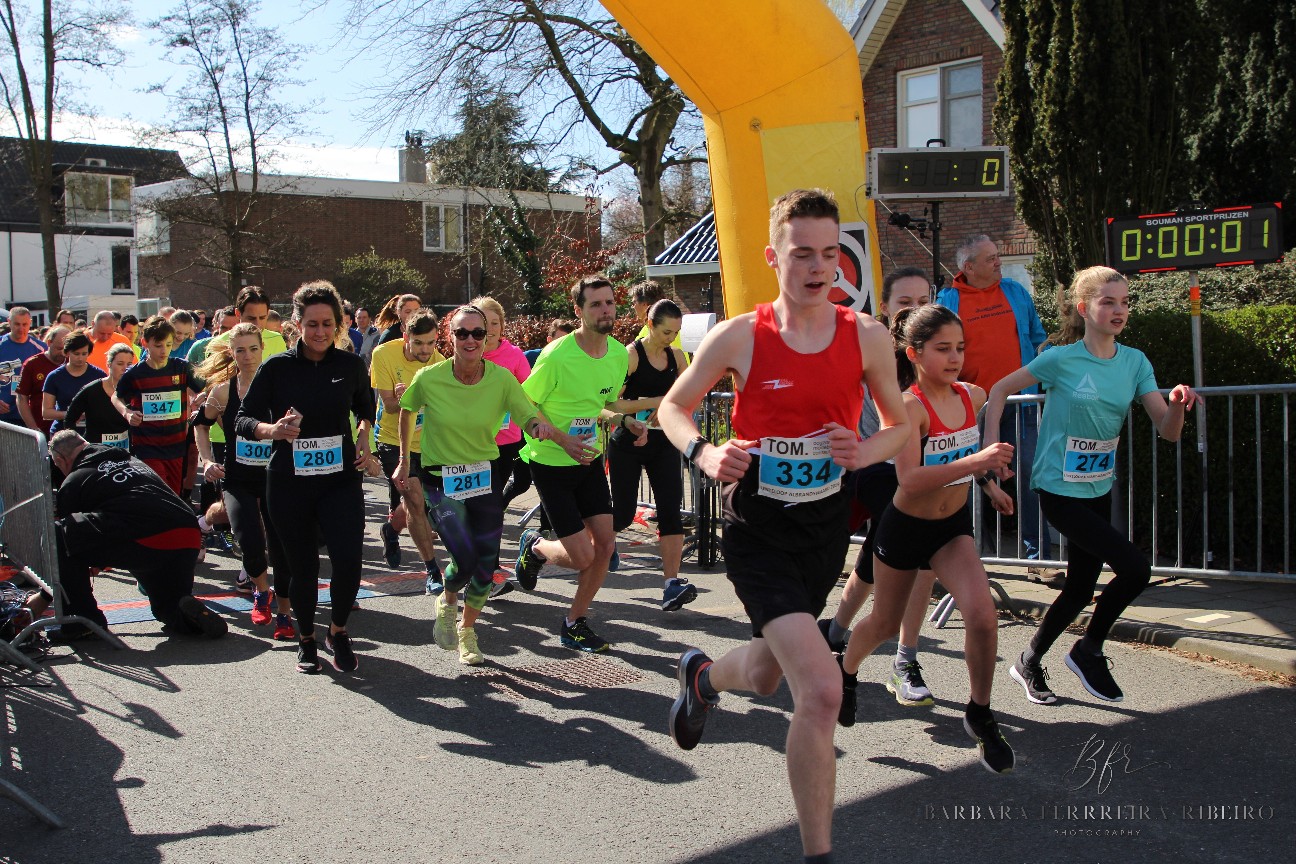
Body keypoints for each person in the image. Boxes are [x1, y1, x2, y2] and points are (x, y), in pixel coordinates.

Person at [657, 189, 909, 864]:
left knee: (768, 674)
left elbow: (900, 426)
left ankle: (701, 680)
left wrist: (866, 450)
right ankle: (818, 853)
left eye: (829, 254)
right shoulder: (741, 335)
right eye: (802, 254)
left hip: (824, 527)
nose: (818, 267)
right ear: (774, 258)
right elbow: (673, 409)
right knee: (821, 690)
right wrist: (705, 452)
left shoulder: (867, 335)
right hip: (758, 526)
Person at [987, 265, 1199, 704]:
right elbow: (1000, 389)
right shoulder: (1060, 359)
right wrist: (993, 451)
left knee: (1081, 588)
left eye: (1124, 302)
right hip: (1058, 489)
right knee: (1135, 568)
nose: (1119, 310)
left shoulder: (1135, 362)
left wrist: (1177, 403)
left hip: (1097, 487)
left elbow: (1168, 430)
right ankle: (1088, 650)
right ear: (1084, 309)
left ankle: (1028, 661)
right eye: (1108, 302)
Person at [837, 305, 1018, 775]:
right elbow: (911, 479)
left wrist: (989, 485)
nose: (955, 358)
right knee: (883, 623)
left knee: (983, 615)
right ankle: (847, 674)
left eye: (960, 348)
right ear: (915, 354)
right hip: (905, 526)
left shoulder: (972, 395)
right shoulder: (909, 407)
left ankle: (980, 712)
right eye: (943, 349)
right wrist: (978, 463)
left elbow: (963, 453)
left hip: (951, 528)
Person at [395, 305, 570, 664]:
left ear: (487, 337)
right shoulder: (429, 377)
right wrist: (403, 459)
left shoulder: (501, 379)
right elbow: (407, 409)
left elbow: (526, 414)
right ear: (450, 337)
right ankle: (448, 599)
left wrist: (540, 428)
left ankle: (467, 630)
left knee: (486, 565)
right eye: (462, 333)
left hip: (483, 475)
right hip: (441, 479)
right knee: (465, 559)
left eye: (478, 333)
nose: (471, 339)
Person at [235, 281, 376, 675]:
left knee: (348, 561)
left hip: (339, 480)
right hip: (289, 483)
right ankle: (307, 639)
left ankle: (338, 631)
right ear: (297, 324)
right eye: (312, 324)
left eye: (327, 324)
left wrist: (364, 434)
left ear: (338, 325)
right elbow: (243, 419)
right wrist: (272, 430)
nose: (320, 332)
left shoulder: (350, 365)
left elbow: (366, 408)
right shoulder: (277, 367)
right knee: (302, 567)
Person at [819, 266, 945, 706]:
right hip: (875, 466)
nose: (915, 309)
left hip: (922, 469)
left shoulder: (938, 351)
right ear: (887, 307)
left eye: (923, 300)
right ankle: (904, 661)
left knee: (879, 554)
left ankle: (836, 631)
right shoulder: (872, 348)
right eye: (905, 302)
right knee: (919, 548)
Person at [512, 275, 643, 654]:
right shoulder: (557, 356)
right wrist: (561, 438)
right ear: (578, 310)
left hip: (588, 459)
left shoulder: (618, 355)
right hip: (551, 464)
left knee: (605, 545)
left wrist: (624, 420)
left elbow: (601, 404)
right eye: (595, 304)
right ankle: (536, 546)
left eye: (609, 302)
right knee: (583, 555)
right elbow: (523, 404)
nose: (605, 310)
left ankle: (574, 623)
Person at [936, 235, 1051, 567]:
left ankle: (1040, 559)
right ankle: (970, 558)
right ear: (969, 267)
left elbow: (1038, 339)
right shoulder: (948, 302)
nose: (999, 262)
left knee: (1030, 476)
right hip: (970, 410)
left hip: (1021, 405)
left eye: (998, 256)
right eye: (990, 258)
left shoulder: (1015, 292)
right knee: (969, 478)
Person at [47, 430, 227, 641]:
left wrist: (45, 594)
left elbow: (71, 546)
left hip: (147, 538)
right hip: (187, 533)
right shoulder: (131, 460)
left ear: (60, 460)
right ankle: (187, 615)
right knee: (168, 606)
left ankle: (82, 622)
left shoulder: (74, 481)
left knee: (60, 533)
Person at [195, 323, 295, 639]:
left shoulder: (281, 388)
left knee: (280, 548)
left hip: (276, 478)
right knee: (249, 539)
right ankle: (262, 592)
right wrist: (207, 461)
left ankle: (284, 613)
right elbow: (200, 425)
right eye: (240, 350)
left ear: (263, 349)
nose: (248, 356)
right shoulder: (223, 391)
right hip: (237, 478)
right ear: (232, 353)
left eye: (253, 349)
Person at [607, 298, 696, 611]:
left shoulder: (677, 357)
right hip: (628, 443)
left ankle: (671, 584)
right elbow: (611, 403)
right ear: (650, 325)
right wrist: (657, 402)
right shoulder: (630, 355)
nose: (670, 338)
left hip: (664, 443)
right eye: (665, 332)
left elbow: (690, 394)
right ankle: (600, 542)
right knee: (623, 513)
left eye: (675, 333)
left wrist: (673, 406)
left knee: (670, 512)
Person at [370, 309, 445, 584]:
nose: (425, 350)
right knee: (415, 501)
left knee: (421, 498)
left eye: (431, 343)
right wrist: (403, 399)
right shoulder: (383, 354)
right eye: (418, 343)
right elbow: (389, 405)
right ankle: (432, 570)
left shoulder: (440, 363)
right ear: (406, 337)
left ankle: (391, 529)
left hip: (427, 442)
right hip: (392, 439)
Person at [477, 295, 533, 588]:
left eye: (495, 322)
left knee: (492, 503)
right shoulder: (468, 353)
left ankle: (490, 564)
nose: (490, 329)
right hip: (472, 442)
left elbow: (529, 394)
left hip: (507, 441)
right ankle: (482, 563)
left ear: (502, 325)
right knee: (482, 504)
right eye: (484, 323)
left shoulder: (514, 356)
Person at [112, 315, 201, 496]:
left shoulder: (181, 368)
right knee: (159, 491)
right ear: (145, 343)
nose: (164, 351)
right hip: (147, 446)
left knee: (173, 493)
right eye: (158, 345)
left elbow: (203, 386)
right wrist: (127, 412)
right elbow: (116, 396)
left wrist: (202, 397)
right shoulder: (135, 373)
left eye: (168, 345)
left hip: (176, 444)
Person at [64, 343, 133, 448]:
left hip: (126, 451)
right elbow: (69, 420)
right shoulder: (91, 390)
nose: (125, 368)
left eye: (129, 364)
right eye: (120, 364)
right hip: (95, 450)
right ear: (109, 364)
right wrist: (79, 446)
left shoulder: (135, 391)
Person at [43, 333, 106, 434]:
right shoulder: (54, 376)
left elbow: (107, 405)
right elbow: (46, 412)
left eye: (84, 354)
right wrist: (71, 414)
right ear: (67, 352)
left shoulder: (99, 375)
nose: (80, 358)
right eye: (76, 354)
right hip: (63, 432)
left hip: (91, 432)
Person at [15, 325, 67, 436]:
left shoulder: (72, 362)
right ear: (49, 343)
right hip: (41, 429)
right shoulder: (32, 364)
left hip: (67, 430)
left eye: (66, 349)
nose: (62, 353)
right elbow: (21, 398)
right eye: (59, 348)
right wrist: (33, 428)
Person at [0, 306, 47, 425]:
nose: (21, 328)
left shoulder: (41, 348)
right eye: (17, 324)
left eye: (25, 324)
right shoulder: (1, 344)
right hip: (3, 415)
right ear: (9, 322)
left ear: (30, 323)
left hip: (30, 416)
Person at [630, 281, 684, 348]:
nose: (633, 307)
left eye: (634, 303)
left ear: (644, 304)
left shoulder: (652, 332)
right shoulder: (676, 325)